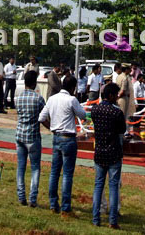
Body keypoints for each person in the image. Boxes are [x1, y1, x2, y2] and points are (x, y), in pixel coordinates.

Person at [39, 73, 87, 217]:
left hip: (56, 137)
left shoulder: (52, 99)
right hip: (69, 138)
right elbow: (83, 115)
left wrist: (52, 127)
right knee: (67, 174)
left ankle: (53, 204)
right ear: (73, 87)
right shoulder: (72, 99)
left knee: (54, 172)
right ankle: (66, 207)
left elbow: (41, 118)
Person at [92, 81, 126, 229]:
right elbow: (121, 131)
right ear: (111, 96)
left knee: (98, 185)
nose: (117, 99)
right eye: (116, 96)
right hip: (113, 153)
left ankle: (95, 218)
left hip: (99, 151)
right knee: (113, 186)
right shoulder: (117, 112)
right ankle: (113, 220)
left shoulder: (95, 109)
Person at [15, 68, 45, 208]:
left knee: (21, 167)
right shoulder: (38, 98)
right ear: (34, 84)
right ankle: (33, 199)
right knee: (35, 168)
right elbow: (44, 116)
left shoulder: (18, 98)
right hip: (33, 136)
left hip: (20, 135)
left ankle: (21, 196)